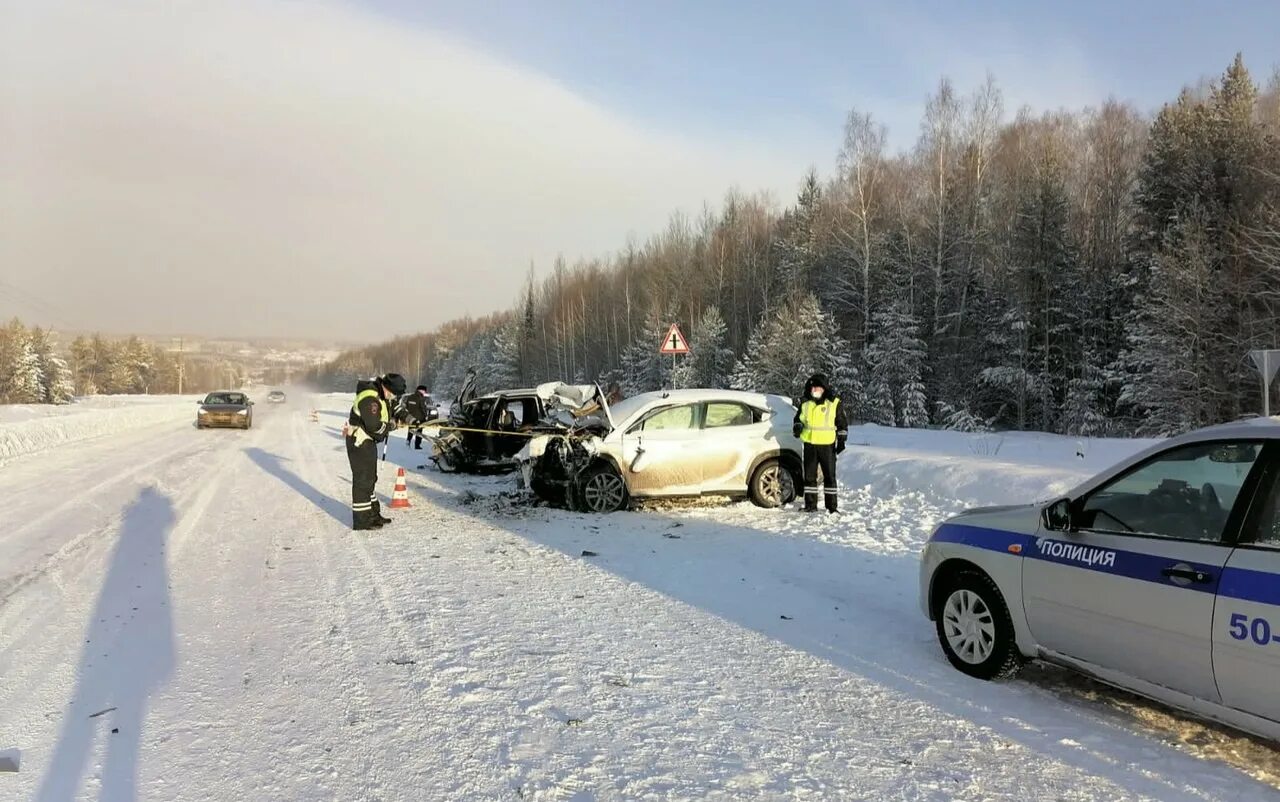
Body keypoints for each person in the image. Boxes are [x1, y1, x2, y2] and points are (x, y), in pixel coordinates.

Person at [346, 373, 406, 530]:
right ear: (388, 389)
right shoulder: (370, 398)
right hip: (359, 441)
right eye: (395, 394)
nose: (394, 397)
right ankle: (362, 520)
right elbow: (373, 425)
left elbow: (392, 408)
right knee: (362, 480)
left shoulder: (381, 395)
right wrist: (390, 427)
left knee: (370, 478)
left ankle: (372, 514)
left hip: (367, 441)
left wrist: (404, 417)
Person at [792, 373, 848, 513]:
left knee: (830, 477)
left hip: (827, 445)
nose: (815, 391)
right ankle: (810, 505)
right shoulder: (805, 403)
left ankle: (831, 507)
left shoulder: (834, 403)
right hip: (810, 444)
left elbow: (841, 423)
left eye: (818, 388)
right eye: (813, 388)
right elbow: (798, 419)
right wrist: (798, 426)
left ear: (824, 388)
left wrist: (841, 440)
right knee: (809, 477)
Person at [406, 385, 430, 449]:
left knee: (411, 430)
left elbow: (407, 406)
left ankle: (408, 441)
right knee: (419, 432)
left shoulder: (410, 397)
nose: (425, 393)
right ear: (421, 390)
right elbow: (423, 408)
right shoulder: (421, 398)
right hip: (420, 418)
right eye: (424, 391)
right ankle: (417, 445)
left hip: (411, 417)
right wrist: (426, 416)